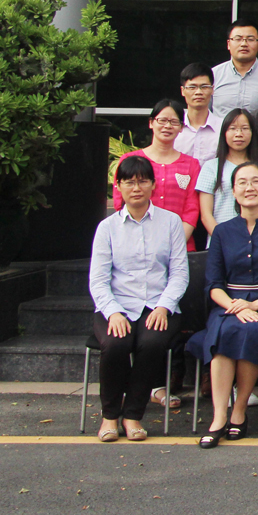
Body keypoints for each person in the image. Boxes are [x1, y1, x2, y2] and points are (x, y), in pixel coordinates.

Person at [190, 161, 258, 448]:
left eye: (256, 181)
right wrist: (237, 306)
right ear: (233, 190)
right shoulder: (222, 232)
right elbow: (213, 284)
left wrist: (257, 304)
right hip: (229, 304)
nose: (249, 187)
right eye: (242, 182)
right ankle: (219, 417)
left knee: (250, 329)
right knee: (223, 330)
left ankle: (239, 410)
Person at [89, 155, 189, 442]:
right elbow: (98, 280)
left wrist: (164, 307)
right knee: (115, 344)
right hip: (116, 305)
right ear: (118, 186)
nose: (136, 188)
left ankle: (132, 416)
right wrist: (113, 312)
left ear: (153, 185)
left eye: (143, 181)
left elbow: (179, 273)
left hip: (158, 305)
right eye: (129, 182)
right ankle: (110, 416)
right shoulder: (107, 227)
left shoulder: (170, 222)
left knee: (152, 342)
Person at [115, 100, 202, 252]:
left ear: (181, 127)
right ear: (151, 123)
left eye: (174, 122)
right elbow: (120, 202)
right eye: (162, 120)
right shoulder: (130, 160)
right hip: (136, 246)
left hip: (180, 247)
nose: (167, 126)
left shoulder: (191, 165)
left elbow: (192, 210)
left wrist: (173, 246)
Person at [196, 108, 258, 236]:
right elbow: (206, 215)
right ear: (224, 133)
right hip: (221, 239)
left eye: (244, 128)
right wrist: (223, 240)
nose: (239, 134)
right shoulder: (211, 167)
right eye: (232, 128)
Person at [211, 18, 258, 117]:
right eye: (238, 39)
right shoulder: (214, 75)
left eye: (250, 39)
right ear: (228, 44)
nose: (244, 44)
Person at [174, 63, 220, 162]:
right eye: (192, 87)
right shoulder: (174, 128)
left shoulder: (223, 128)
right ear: (182, 91)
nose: (198, 92)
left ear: (212, 89)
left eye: (204, 87)